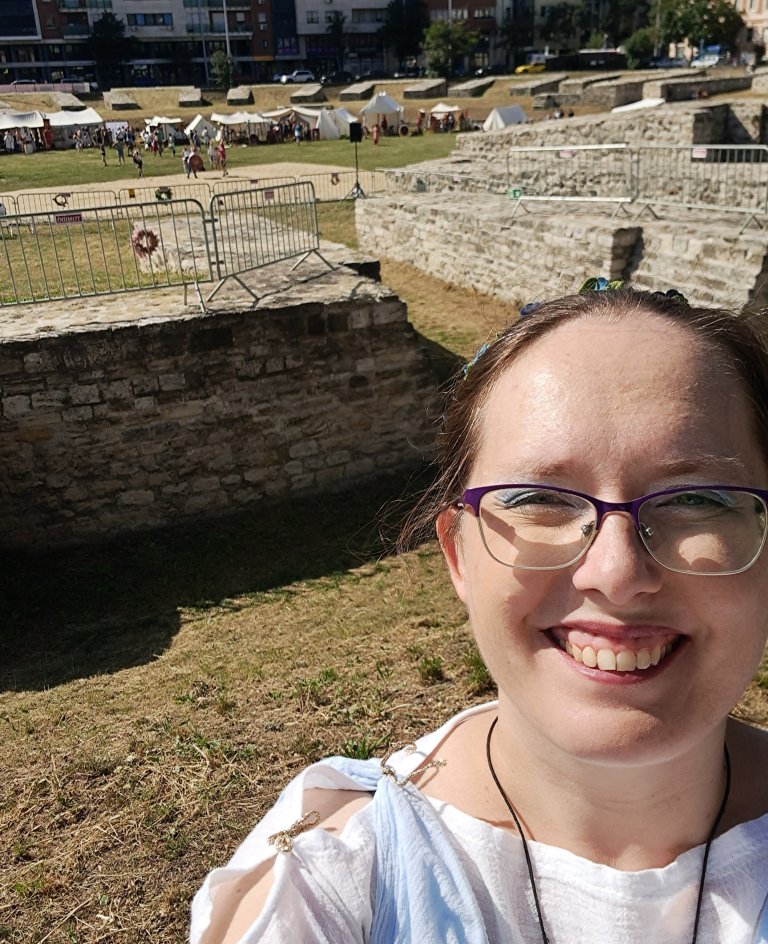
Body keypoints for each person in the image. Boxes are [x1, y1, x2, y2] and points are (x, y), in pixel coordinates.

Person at [192, 282, 768, 944]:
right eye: (539, 498)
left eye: (695, 499)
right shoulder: (329, 890)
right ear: (459, 556)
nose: (616, 574)